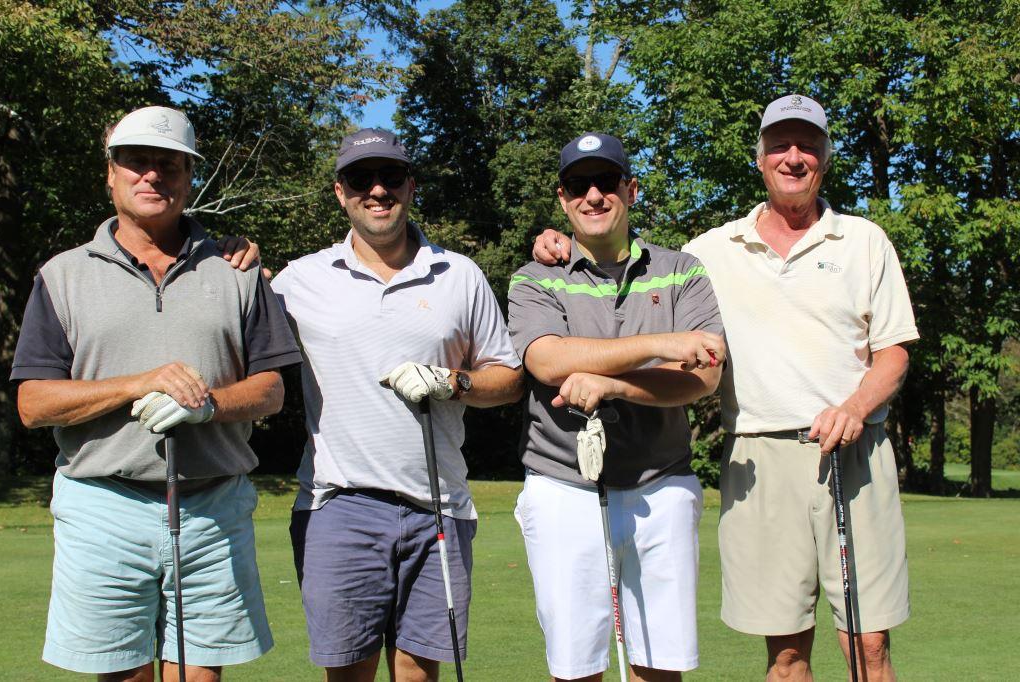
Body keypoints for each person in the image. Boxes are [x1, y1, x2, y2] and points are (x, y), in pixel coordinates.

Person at [532, 97, 917, 681]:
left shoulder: (864, 241)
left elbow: (894, 351)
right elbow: (620, 248)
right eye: (780, 146)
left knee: (869, 643)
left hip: (854, 447)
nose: (794, 158)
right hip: (758, 453)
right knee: (785, 654)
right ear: (760, 159)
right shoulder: (711, 251)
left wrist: (856, 407)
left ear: (826, 158)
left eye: (808, 146)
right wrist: (556, 241)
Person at [11, 105, 302, 681]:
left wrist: (206, 406)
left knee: (199, 674)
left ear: (190, 177)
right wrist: (139, 383)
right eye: (136, 161)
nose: (152, 175)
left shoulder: (237, 269)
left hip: (212, 506)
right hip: (102, 504)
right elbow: (33, 404)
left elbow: (271, 390)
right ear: (110, 173)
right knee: (123, 673)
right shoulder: (62, 275)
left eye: (169, 165)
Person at [271, 128, 523, 681]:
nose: (378, 189)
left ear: (411, 186)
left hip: (439, 505)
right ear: (340, 192)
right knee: (348, 671)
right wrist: (228, 258)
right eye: (362, 178)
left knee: (418, 671)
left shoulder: (459, 274)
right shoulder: (300, 279)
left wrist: (453, 383)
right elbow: (241, 328)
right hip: (338, 503)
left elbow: (509, 379)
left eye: (391, 176)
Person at [509, 132, 726, 681]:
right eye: (579, 185)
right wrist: (663, 345)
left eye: (606, 182)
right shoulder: (535, 278)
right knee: (575, 670)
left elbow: (704, 375)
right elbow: (548, 361)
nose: (594, 196)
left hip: (662, 482)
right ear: (562, 198)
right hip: (563, 486)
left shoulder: (682, 270)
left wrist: (613, 385)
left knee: (661, 667)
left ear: (630, 189)